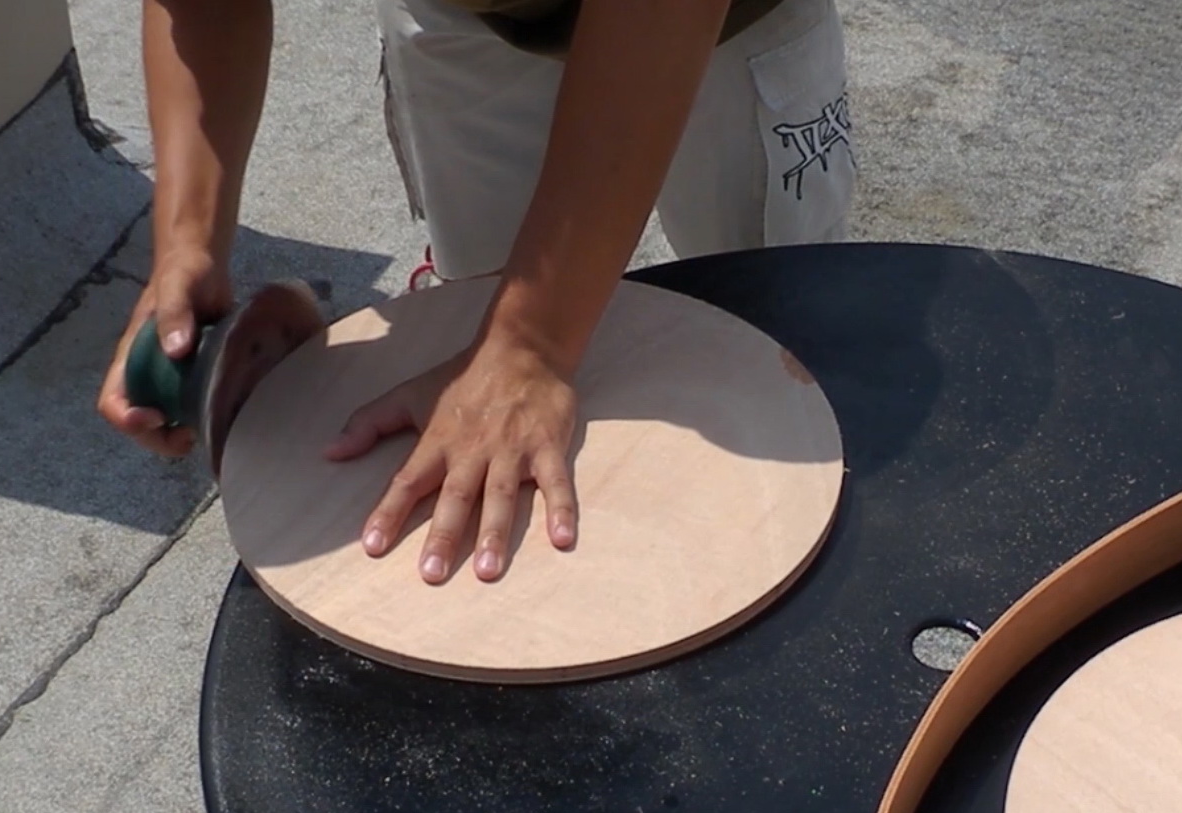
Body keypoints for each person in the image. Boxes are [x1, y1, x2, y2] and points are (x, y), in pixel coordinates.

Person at [96, 0, 857, 583]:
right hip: (465, 17)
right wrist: (189, 234)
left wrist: (531, 343)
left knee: (782, 352)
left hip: (724, 20)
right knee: (476, 355)